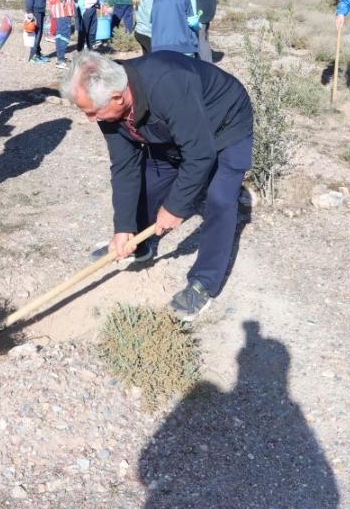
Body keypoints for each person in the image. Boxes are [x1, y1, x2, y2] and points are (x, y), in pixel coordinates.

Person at [61, 50, 254, 320]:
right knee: (151, 183)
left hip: (225, 122)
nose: (90, 119)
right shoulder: (109, 102)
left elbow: (199, 154)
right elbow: (124, 167)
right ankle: (138, 243)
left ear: (117, 98)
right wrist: (123, 227)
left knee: (220, 198)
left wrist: (175, 207)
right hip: (177, 131)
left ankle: (203, 284)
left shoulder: (168, 83)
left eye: (92, 112)